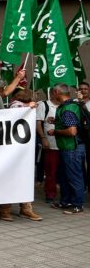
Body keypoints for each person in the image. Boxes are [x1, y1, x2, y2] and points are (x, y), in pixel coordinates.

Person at [0, 89, 42, 221]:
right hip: (12, 149)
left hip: (24, 149)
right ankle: (5, 209)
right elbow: (16, 111)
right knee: (10, 178)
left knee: (25, 178)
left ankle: (26, 208)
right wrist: (28, 107)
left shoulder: (25, 106)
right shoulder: (15, 105)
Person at [48, 84, 86, 214]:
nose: (52, 95)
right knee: (64, 176)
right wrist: (56, 121)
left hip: (72, 148)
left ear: (57, 92)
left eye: (53, 92)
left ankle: (78, 204)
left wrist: (55, 131)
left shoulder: (68, 108)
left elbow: (72, 131)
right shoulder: (69, 106)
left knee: (74, 176)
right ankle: (66, 201)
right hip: (68, 148)